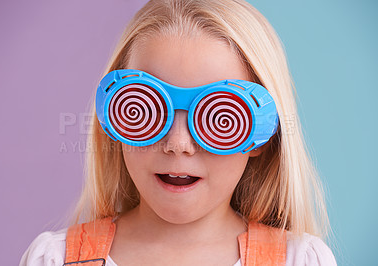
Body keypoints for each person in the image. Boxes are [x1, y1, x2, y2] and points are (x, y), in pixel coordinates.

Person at [20, 0, 338, 265]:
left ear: (262, 136)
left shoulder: (300, 260)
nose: (177, 144)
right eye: (148, 106)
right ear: (116, 120)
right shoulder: (54, 258)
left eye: (218, 115)